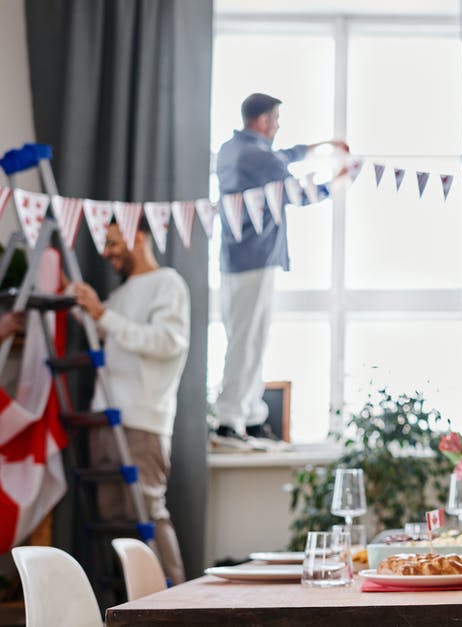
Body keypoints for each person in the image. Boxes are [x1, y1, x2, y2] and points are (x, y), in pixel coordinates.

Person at [213, 93, 347, 441]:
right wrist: (338, 183)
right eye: (275, 120)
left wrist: (316, 147)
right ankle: (229, 418)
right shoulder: (257, 156)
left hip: (234, 258)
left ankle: (250, 414)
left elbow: (282, 156)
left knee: (247, 337)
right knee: (247, 340)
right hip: (255, 258)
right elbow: (298, 192)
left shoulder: (232, 149)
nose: (277, 127)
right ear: (263, 121)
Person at [71, 217, 190, 585]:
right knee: (114, 524)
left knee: (148, 516)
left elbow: (166, 343)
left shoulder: (167, 284)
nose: (106, 254)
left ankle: (177, 612)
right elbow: (100, 324)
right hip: (105, 420)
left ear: (137, 234)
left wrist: (103, 315)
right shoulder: (121, 296)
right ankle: (130, 609)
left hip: (142, 420)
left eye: (112, 243)